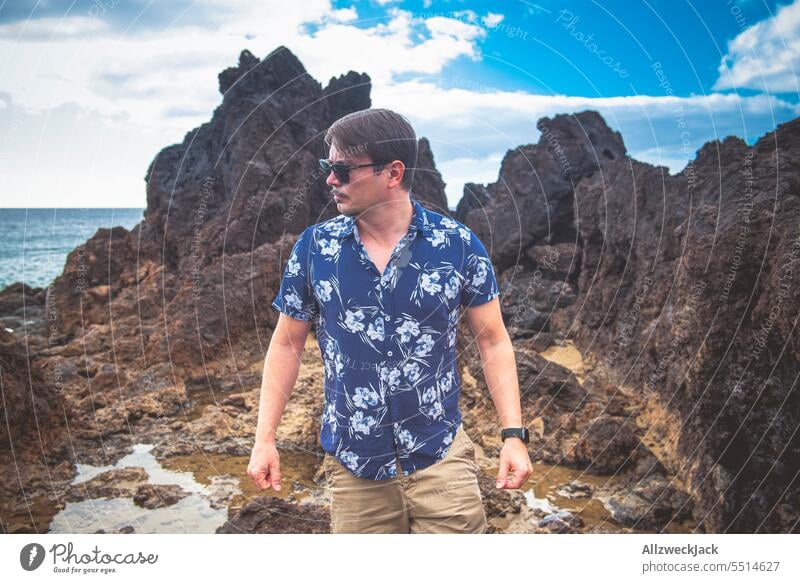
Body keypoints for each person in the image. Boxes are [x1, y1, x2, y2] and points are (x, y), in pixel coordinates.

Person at [248, 107, 532, 533]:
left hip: (441, 459)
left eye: (341, 169)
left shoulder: (457, 246)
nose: (330, 179)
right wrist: (264, 439)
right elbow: (287, 344)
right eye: (329, 167)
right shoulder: (315, 249)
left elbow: (493, 340)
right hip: (355, 470)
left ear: (393, 173)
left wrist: (513, 435)